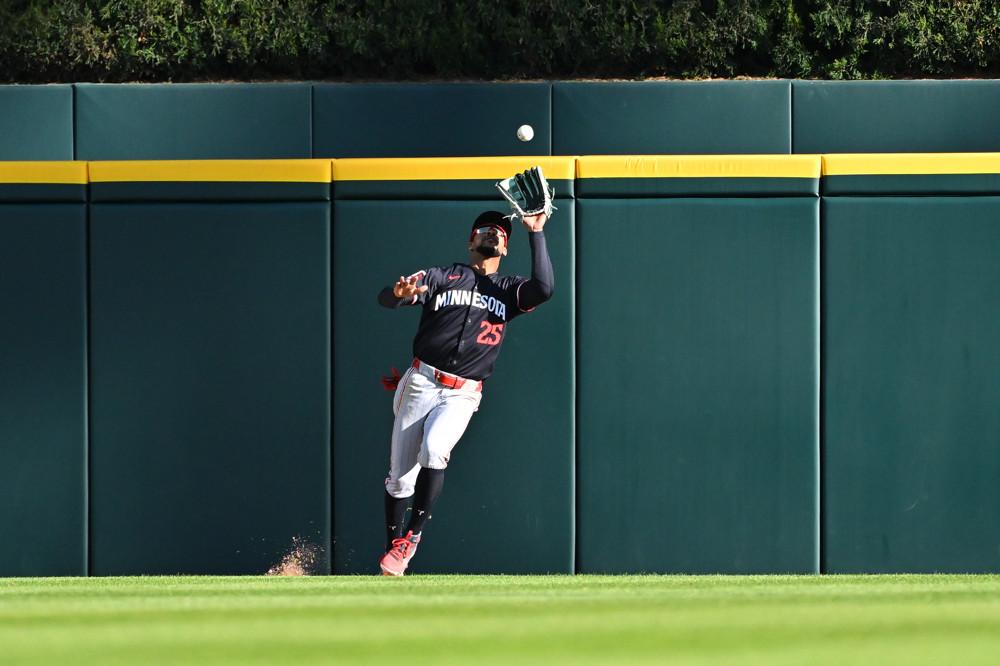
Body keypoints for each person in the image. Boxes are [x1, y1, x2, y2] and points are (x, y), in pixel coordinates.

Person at [376, 209, 553, 576]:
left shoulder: (507, 290)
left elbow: (545, 288)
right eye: (484, 230)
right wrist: (397, 292)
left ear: (505, 248)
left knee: (435, 451)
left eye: (500, 233)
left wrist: (536, 233)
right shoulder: (441, 277)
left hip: (463, 393)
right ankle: (394, 549)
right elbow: (388, 299)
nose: (492, 233)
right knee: (399, 479)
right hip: (421, 381)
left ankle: (412, 538)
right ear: (470, 241)